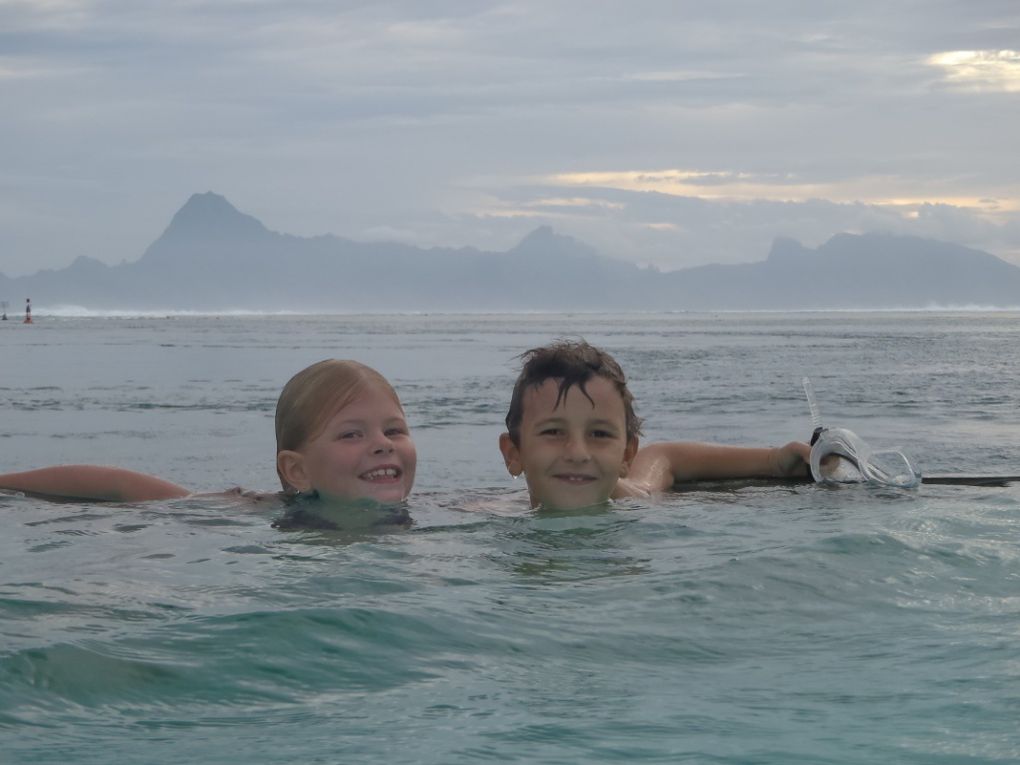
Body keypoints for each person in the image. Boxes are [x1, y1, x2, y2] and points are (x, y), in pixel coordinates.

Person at [0, 360, 417, 514]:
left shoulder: (446, 510)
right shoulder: (260, 511)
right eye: (351, 435)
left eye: (394, 429)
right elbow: (117, 484)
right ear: (297, 470)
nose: (383, 443)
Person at [498, 340, 810, 510]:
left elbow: (663, 457)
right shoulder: (483, 516)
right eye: (553, 431)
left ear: (626, 455)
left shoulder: (633, 497)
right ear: (514, 453)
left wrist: (775, 461)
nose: (578, 453)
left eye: (599, 434)